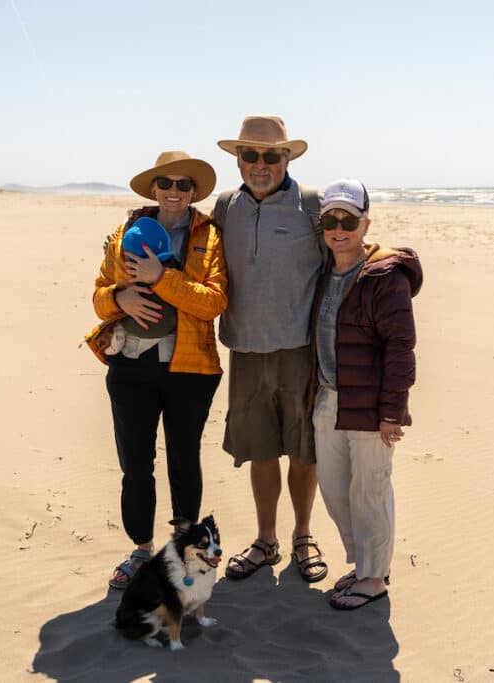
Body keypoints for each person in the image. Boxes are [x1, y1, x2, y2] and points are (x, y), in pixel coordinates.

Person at [84, 150, 227, 589]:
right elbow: (99, 294)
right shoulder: (123, 232)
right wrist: (119, 299)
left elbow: (214, 301)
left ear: (194, 193)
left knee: (184, 460)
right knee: (135, 463)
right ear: (153, 188)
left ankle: (187, 551)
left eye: (185, 185)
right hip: (129, 364)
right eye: (166, 183)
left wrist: (160, 276)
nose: (174, 192)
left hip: (189, 366)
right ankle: (140, 550)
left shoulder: (210, 237)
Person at [214, 115, 329, 583]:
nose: (260, 165)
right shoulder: (225, 207)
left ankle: (303, 535)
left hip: (300, 351)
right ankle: (266, 538)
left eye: (271, 155)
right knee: (260, 450)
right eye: (250, 155)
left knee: (305, 451)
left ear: (287, 158)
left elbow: (347, 252)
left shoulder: (312, 205)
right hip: (244, 350)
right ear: (238, 160)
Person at [309, 179, 422, 610]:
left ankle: (374, 578)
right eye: (330, 221)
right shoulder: (324, 271)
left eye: (349, 221)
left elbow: (400, 346)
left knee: (370, 491)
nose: (339, 230)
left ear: (365, 223)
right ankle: (363, 565)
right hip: (328, 398)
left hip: (370, 405)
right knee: (335, 489)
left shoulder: (385, 277)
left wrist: (392, 411)